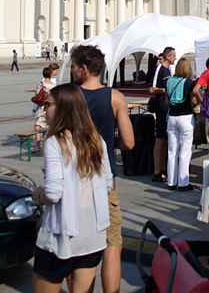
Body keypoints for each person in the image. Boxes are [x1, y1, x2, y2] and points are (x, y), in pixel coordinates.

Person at [31, 83, 113, 293]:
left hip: (61, 235)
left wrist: (38, 196)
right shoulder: (97, 140)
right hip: (91, 235)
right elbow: (107, 183)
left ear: (62, 108)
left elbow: (53, 193)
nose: (44, 109)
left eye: (47, 104)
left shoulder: (55, 142)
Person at [69, 44, 134, 293]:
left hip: (74, 177)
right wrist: (109, 142)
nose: (73, 71)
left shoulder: (68, 96)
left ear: (83, 69)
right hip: (104, 179)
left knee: (78, 246)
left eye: (74, 67)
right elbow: (129, 142)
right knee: (112, 244)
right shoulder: (115, 97)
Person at [165, 57, 202, 191]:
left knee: (172, 150)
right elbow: (193, 102)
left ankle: (171, 181)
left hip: (172, 117)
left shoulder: (169, 81)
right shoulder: (188, 82)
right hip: (185, 116)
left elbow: (167, 102)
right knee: (185, 151)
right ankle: (183, 182)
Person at [149, 47, 176, 183]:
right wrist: (167, 89)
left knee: (165, 138)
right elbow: (152, 88)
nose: (175, 58)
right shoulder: (160, 69)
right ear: (168, 56)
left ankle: (164, 167)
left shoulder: (168, 70)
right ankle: (156, 170)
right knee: (160, 138)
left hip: (167, 107)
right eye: (173, 56)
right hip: (161, 108)